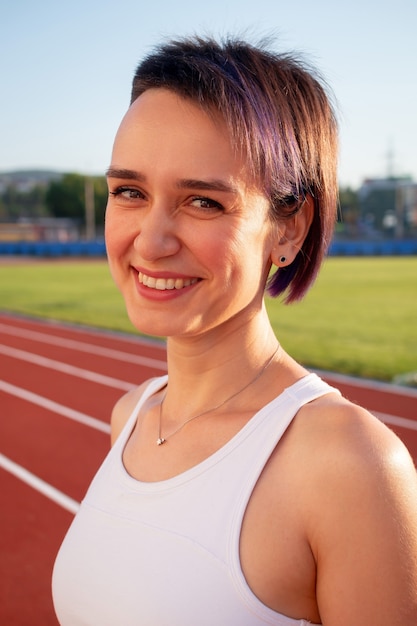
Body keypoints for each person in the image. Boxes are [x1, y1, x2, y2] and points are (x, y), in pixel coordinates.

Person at [52, 35, 417, 625]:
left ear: (289, 228)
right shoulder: (132, 416)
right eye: (129, 192)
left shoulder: (348, 464)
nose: (150, 240)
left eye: (203, 203)